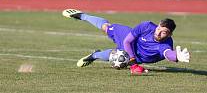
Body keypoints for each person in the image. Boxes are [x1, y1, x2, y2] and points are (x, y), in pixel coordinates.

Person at [62, 9, 190, 75]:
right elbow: (128, 41)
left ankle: (94, 55)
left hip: (140, 56)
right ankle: (82, 15)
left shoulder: (166, 44)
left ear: (170, 34)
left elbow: (168, 54)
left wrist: (177, 56)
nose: (158, 32)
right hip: (129, 40)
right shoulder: (146, 26)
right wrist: (133, 65)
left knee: (118, 56)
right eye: (158, 28)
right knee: (106, 27)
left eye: (164, 32)